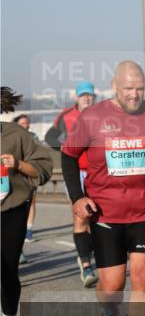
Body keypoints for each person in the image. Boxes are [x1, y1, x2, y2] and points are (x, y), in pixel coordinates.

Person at [60, 62, 145, 316]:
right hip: (105, 213)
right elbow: (68, 155)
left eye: (139, 88)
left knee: (143, 277)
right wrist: (77, 196)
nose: (134, 94)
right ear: (114, 86)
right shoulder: (92, 117)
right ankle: (109, 307)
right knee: (112, 286)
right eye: (128, 88)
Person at [2, 88, 54, 316]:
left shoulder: (16, 135)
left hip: (10, 210)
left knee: (6, 269)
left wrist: (19, 164)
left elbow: (43, 169)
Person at [45, 81, 98, 287]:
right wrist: (66, 147)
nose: (87, 98)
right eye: (83, 95)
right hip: (76, 172)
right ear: (77, 98)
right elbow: (50, 136)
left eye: (90, 95)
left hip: (98, 172)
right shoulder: (66, 116)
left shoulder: (103, 115)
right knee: (81, 216)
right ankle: (86, 265)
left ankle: (89, 251)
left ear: (94, 97)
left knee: (97, 218)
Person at [12, 115, 36, 263]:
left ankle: (27, 233)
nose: (25, 126)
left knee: (29, 205)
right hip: (11, 178)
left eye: (27, 123)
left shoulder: (33, 137)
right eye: (22, 123)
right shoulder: (10, 136)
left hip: (28, 177)